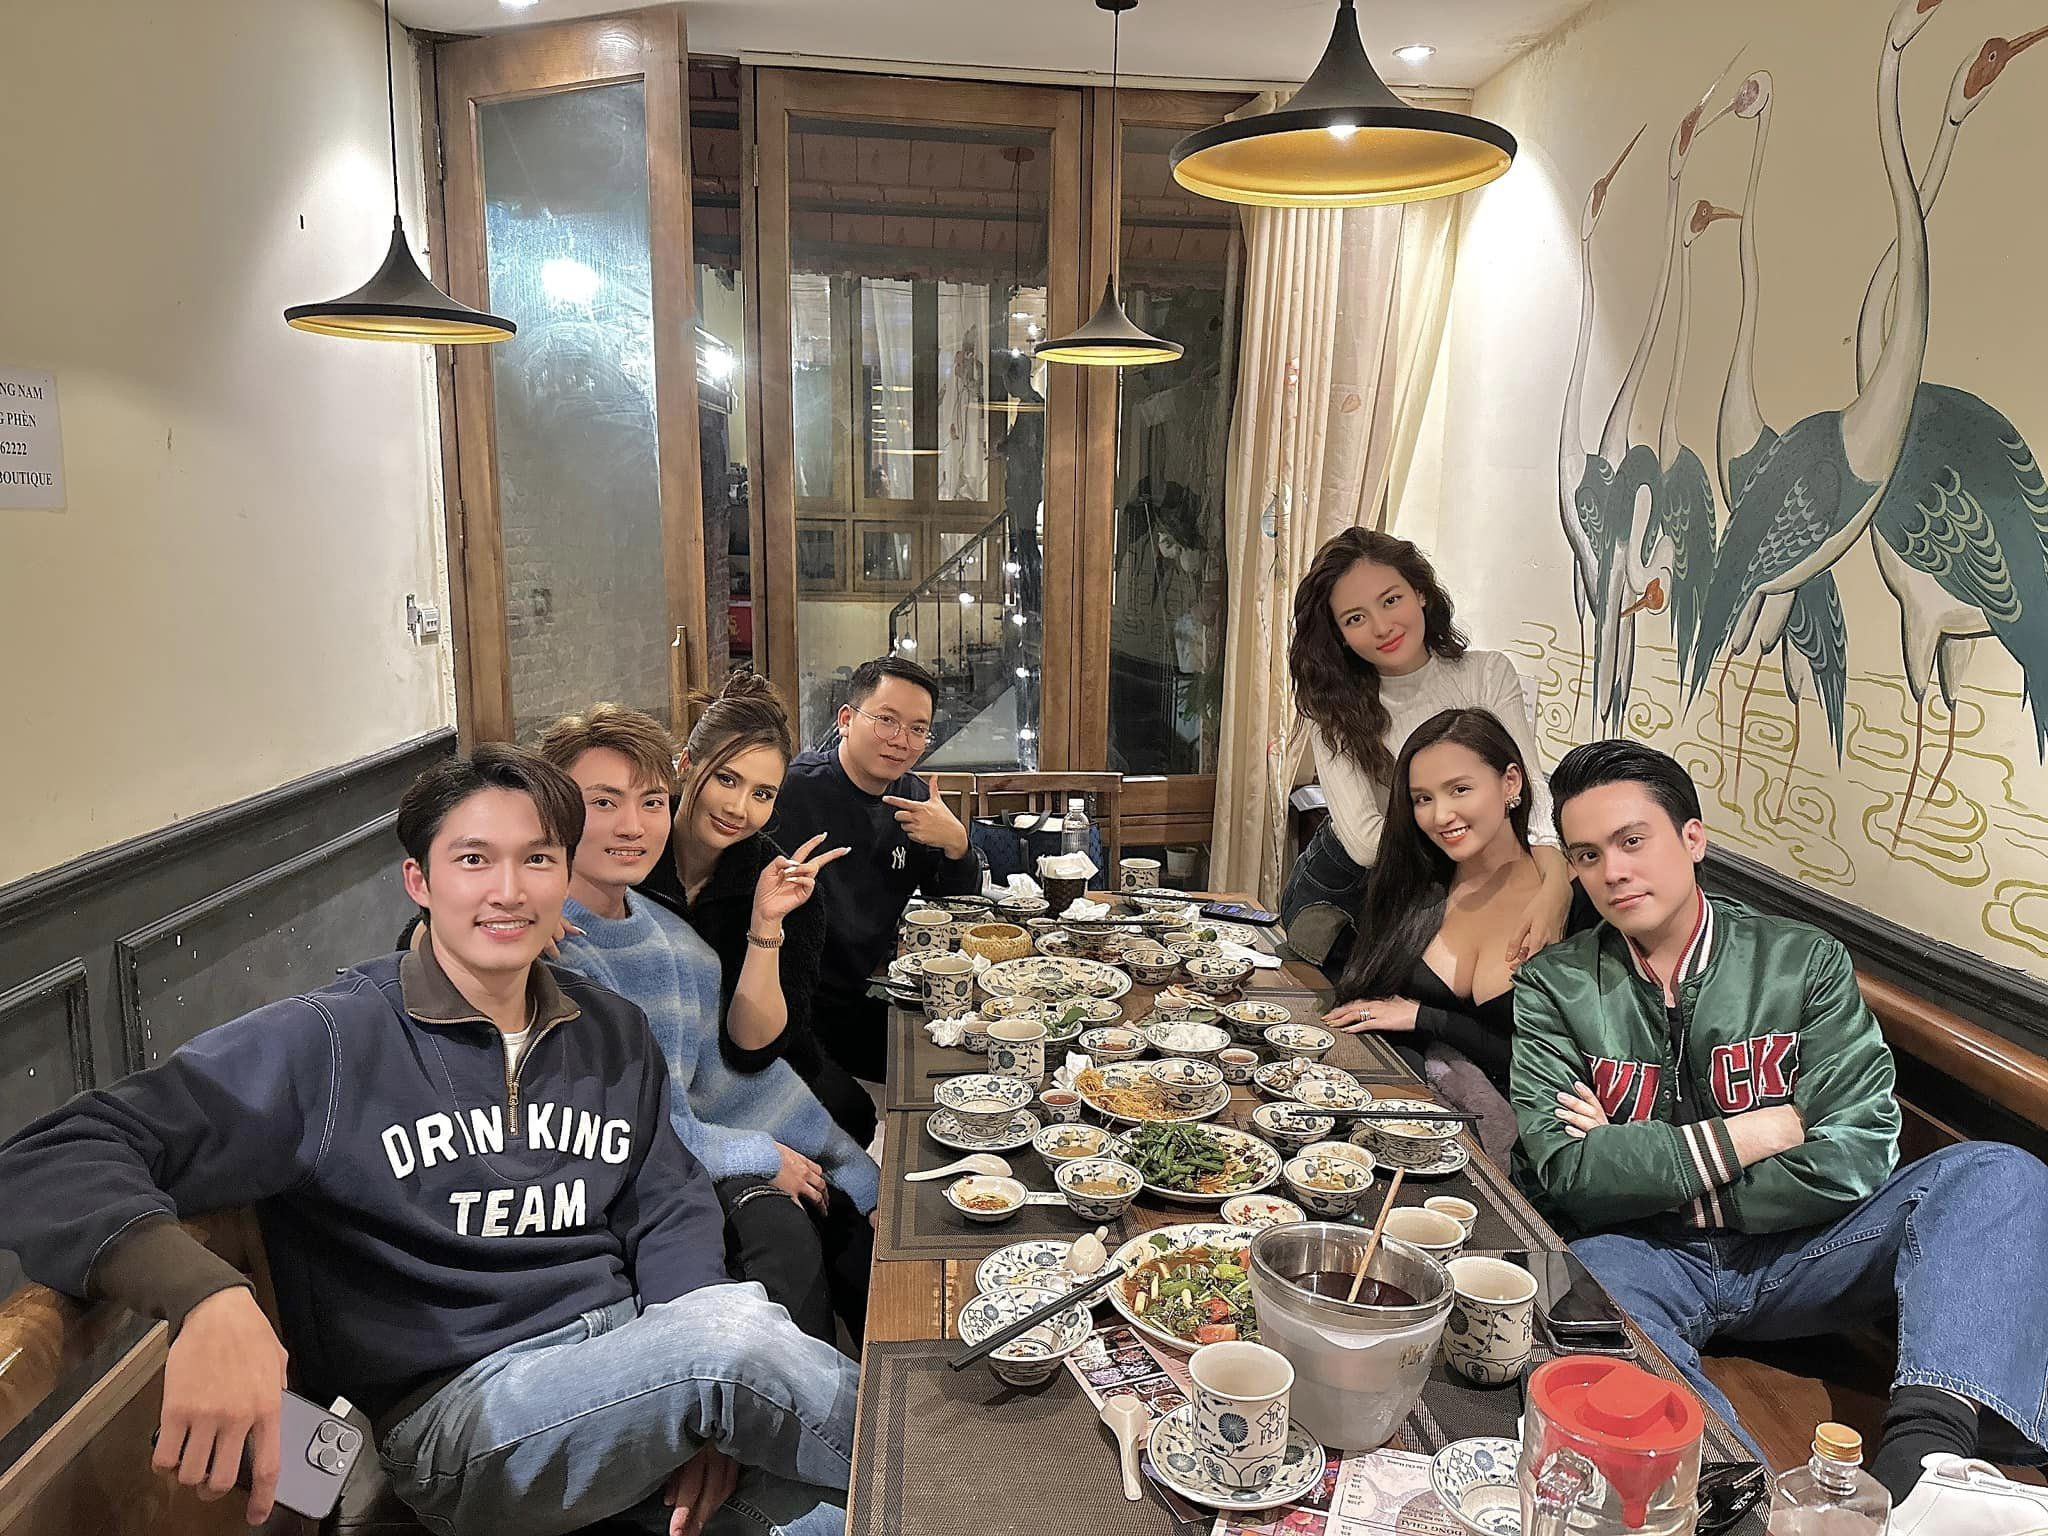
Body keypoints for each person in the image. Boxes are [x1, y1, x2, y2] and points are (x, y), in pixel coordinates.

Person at [0, 747, 857, 1536]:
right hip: (466, 1418)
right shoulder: (331, 1041)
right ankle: (933, 1439)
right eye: (474, 860)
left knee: (840, 1515)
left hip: (637, 1366)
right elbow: (55, 1154)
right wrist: (207, 1297)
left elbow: (667, 1203)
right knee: (742, 1346)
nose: (508, 891)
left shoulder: (611, 1029)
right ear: (420, 879)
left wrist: (690, 1407)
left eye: (537, 860)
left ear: (565, 875)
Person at [1510, 739, 2048, 1497]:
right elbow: (1567, 1173)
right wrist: (1760, 1131)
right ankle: (1741, 1494)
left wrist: (1640, 1164)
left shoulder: (1801, 961)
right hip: (1643, 1257)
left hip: (1804, 1255)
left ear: (1692, 839)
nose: (1613, 871)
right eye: (1588, 855)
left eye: (1633, 841)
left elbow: (1858, 1151)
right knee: (1565, 1301)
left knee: (1999, 1173)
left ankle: (1926, 1470)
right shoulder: (1554, 985)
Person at [545, 695, 878, 1349]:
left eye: (648, 803)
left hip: (721, 1093)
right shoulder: (532, 934)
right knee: (782, 1234)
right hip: (612, 1173)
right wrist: (525, 902)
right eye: (603, 803)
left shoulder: (688, 933)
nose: (632, 825)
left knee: (847, 1210)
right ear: (689, 770)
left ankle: (896, 1384)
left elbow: (743, 1064)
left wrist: (851, 1171)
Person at [1282, 529, 1573, 972]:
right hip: (1342, 892)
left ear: (1420, 593)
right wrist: (1466, 829)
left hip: (1442, 883)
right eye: (1355, 618)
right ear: (1339, 635)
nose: (1382, 627)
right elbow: (1365, 843)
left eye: (1391, 600)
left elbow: (1527, 787)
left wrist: (1555, 881)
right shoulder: (1334, 708)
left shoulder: (1487, 675)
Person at [1323, 707, 1583, 1163]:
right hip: (1400, 1119)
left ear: (1511, 783)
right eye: (1422, 798)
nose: (1441, 815)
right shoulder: (1415, 883)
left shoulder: (1570, 906)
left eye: (1460, 789)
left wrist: (1425, 1018)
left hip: (1529, 1152)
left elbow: (1561, 1071)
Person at [639, 674, 877, 1148]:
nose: (738, 807)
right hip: (650, 1073)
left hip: (750, 1071)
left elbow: (755, 1052)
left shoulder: (784, 888)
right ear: (686, 764)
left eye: (762, 794)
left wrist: (766, 924)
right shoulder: (630, 850)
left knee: (850, 1117)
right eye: (726, 779)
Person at [769, 655, 981, 1090]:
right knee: (865, 1105)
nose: (901, 740)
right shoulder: (792, 792)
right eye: (886, 720)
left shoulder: (914, 800)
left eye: (918, 729)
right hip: (791, 1003)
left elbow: (953, 904)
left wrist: (957, 844)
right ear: (846, 720)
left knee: (961, 1058)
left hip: (863, 991)